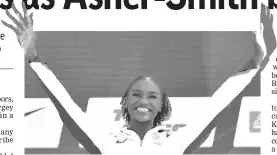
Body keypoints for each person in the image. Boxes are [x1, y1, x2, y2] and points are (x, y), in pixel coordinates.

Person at [2, 2, 276, 155]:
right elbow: (68, 108)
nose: (143, 100)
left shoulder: (176, 143)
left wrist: (254, 63)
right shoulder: (105, 141)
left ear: (161, 105)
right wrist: (34, 59)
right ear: (125, 102)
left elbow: (217, 104)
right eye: (136, 93)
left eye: (152, 95)